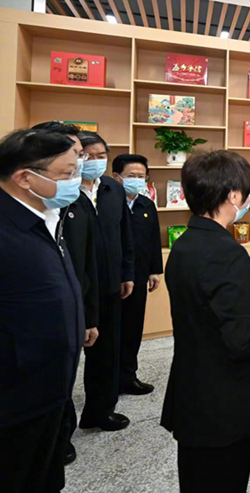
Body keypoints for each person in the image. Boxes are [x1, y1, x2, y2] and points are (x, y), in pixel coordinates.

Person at [161, 150, 250, 493]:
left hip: (192, 391)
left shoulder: (185, 243)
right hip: (222, 403)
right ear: (234, 196)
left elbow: (208, 309)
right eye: (247, 191)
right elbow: (241, 342)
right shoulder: (227, 254)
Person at [0, 129, 84, 493]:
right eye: (65, 175)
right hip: (18, 396)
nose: (73, 182)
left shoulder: (46, 214)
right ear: (24, 177)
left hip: (52, 386)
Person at [31, 122, 99, 465]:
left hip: (70, 315)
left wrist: (85, 315)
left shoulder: (65, 206)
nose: (81, 165)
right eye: (72, 160)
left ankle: (61, 436)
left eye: (81, 158)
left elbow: (83, 263)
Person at [77, 131, 135, 432]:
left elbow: (125, 235)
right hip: (76, 288)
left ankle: (100, 410)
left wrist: (127, 273)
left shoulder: (112, 188)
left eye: (102, 156)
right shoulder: (66, 190)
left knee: (107, 351)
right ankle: (59, 432)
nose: (96, 162)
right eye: (89, 156)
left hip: (110, 284)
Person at [112, 154, 163, 395]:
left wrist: (155, 270)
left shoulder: (146, 204)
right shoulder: (108, 203)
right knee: (113, 330)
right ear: (116, 177)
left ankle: (128, 376)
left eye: (141, 177)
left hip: (140, 276)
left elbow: (153, 240)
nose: (137, 180)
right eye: (131, 176)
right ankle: (109, 380)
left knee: (133, 328)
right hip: (113, 278)